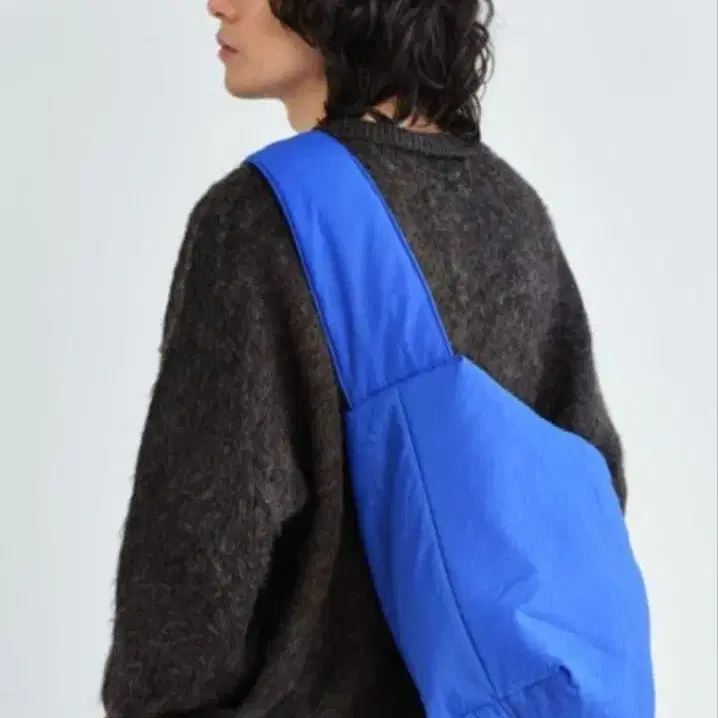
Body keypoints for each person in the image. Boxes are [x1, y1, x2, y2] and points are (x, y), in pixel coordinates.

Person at [101, 1, 627, 716]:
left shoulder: (260, 222)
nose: (217, 3)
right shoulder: (514, 212)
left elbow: (192, 587)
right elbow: (589, 502)